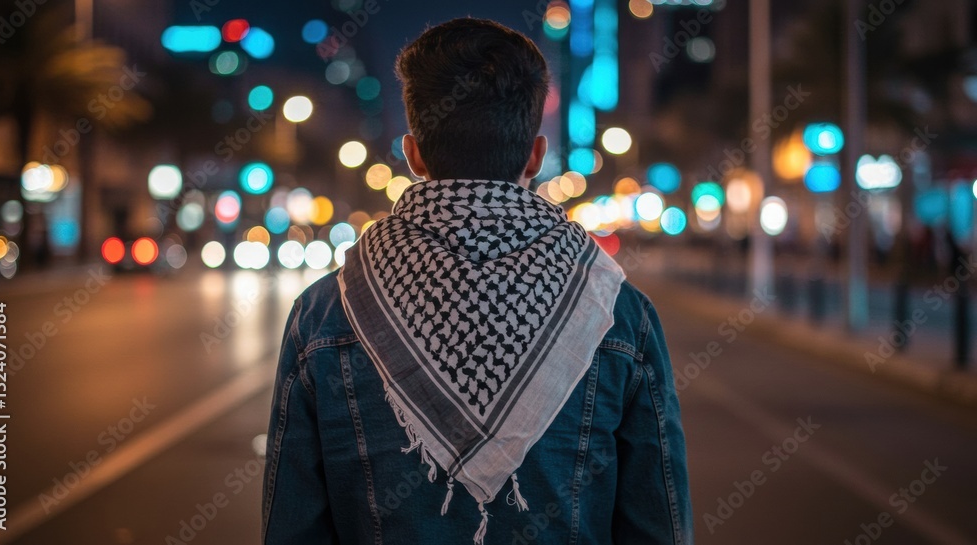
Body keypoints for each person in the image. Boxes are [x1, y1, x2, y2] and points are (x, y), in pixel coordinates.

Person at [262, 17, 692, 545]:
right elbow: (658, 529)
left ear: (413, 154)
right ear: (535, 154)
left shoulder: (324, 312)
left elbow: (293, 529)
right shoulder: (617, 312)